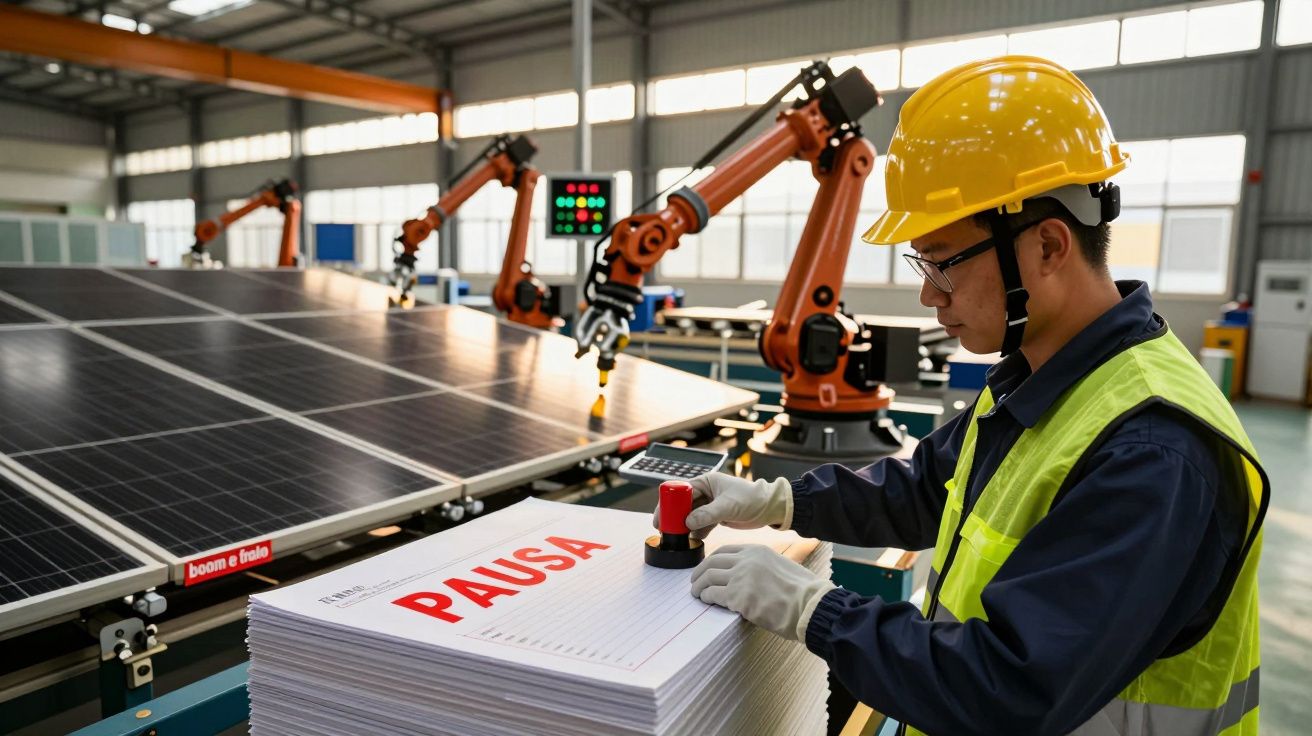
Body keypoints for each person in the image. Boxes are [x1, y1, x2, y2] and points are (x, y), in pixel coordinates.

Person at [664, 56, 1268, 735]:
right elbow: (925, 490)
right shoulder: (1045, 377)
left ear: (1046, 246)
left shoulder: (1154, 453)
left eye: (942, 261)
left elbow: (1008, 687)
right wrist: (781, 501)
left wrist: (816, 611)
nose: (928, 295)